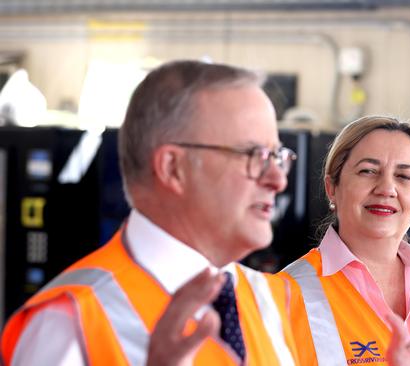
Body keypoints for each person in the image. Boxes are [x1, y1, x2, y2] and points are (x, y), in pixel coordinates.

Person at [1, 60, 301, 365]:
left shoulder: (267, 298)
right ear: (173, 168)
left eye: (277, 156)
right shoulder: (69, 324)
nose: (278, 179)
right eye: (255, 155)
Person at [278, 116, 410, 365]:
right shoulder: (285, 293)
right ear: (332, 188)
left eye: (404, 176)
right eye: (368, 171)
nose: (386, 188)